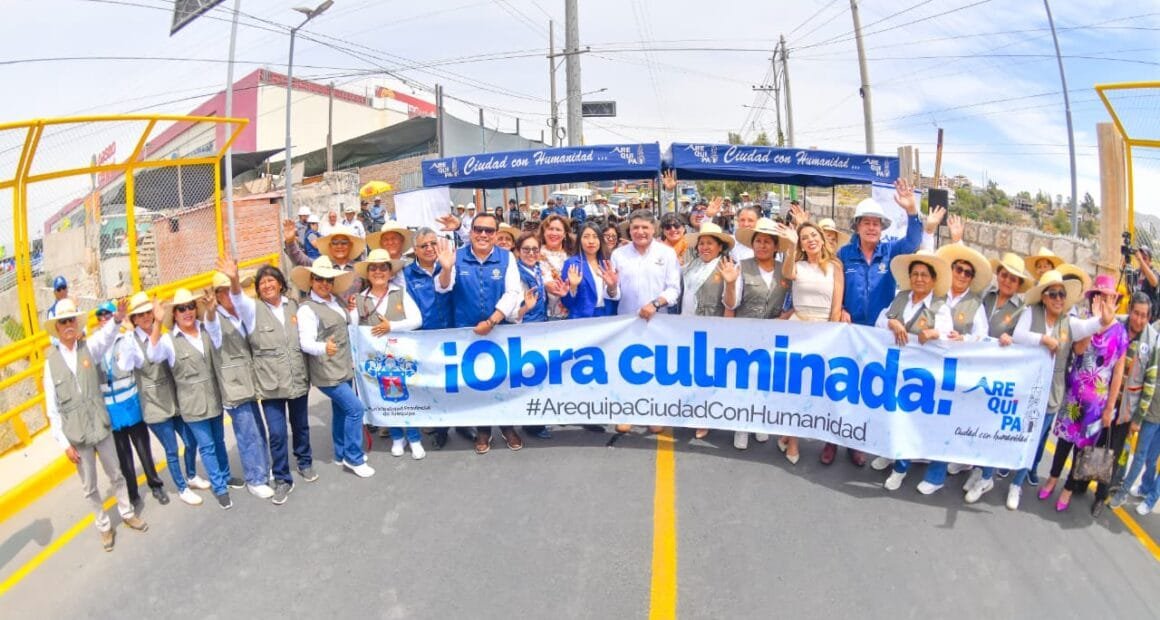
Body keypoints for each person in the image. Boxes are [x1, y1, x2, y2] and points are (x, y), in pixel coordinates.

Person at [44, 297, 149, 551]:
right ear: (57, 328)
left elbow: (106, 337)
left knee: (117, 474)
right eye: (63, 322)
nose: (68, 325)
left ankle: (126, 513)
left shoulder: (88, 347)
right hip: (77, 436)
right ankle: (103, 527)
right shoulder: (50, 364)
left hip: (101, 426)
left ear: (77, 324)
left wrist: (117, 318)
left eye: (71, 320)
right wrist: (63, 443)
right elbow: (53, 409)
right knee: (89, 486)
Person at [835, 178, 923, 467]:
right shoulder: (844, 255)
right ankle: (830, 441)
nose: (872, 228)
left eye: (877, 223)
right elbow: (835, 286)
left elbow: (913, 241)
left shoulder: (891, 252)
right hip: (848, 330)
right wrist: (841, 309)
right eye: (866, 223)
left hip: (876, 334)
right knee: (838, 385)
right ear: (857, 226)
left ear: (883, 228)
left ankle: (855, 442)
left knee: (864, 387)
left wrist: (912, 212)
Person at [910, 238, 995, 494]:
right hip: (928, 363)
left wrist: (965, 339)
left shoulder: (975, 304)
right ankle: (914, 454)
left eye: (967, 273)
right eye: (957, 269)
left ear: (971, 279)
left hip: (956, 370)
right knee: (921, 410)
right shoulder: (938, 292)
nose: (961, 275)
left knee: (947, 419)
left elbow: (983, 335)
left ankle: (936, 477)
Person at [1038, 274, 1127, 512]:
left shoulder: (1120, 332)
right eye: (1099, 295)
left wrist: (1109, 408)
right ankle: (1053, 477)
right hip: (1074, 395)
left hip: (1096, 403)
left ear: (1114, 300)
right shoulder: (1083, 320)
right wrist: (1096, 322)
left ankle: (1068, 487)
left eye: (1107, 296)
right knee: (1064, 441)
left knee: (1083, 446)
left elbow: (1118, 373)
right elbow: (1078, 349)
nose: (1103, 300)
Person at [147, 288, 241, 509]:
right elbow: (152, 355)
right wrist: (157, 323)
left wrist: (210, 312)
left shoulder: (205, 329)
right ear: (175, 314)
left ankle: (226, 476)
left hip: (214, 398)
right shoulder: (170, 340)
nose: (187, 312)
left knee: (219, 442)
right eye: (181, 308)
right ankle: (220, 488)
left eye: (190, 307)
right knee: (206, 447)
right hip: (192, 405)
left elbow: (218, 337)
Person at [444, 211, 525, 453]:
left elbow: (513, 293)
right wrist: (446, 268)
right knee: (475, 380)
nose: (482, 234)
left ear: (496, 235)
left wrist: (492, 320)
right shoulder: (456, 257)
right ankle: (483, 428)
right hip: (467, 331)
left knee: (504, 378)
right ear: (470, 232)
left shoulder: (506, 256)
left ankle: (507, 426)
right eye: (478, 229)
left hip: (498, 328)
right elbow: (444, 287)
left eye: (489, 231)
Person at [875, 250, 954, 491]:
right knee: (891, 412)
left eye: (924, 275)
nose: (919, 279)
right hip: (895, 367)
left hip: (920, 374)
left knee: (910, 418)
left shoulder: (940, 306)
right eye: (915, 274)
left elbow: (946, 335)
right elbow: (880, 321)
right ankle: (890, 452)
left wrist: (934, 332)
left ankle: (901, 467)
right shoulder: (901, 298)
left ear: (932, 280)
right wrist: (892, 321)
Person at [292, 257, 375, 478]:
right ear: (311, 281)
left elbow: (349, 325)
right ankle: (353, 457)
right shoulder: (307, 309)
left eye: (328, 280)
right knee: (355, 409)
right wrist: (323, 347)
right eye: (319, 279)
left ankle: (340, 453)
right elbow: (305, 342)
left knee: (341, 411)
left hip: (343, 366)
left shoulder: (336, 300)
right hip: (327, 372)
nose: (324, 284)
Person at [118, 292, 204, 506]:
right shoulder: (132, 340)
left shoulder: (163, 333)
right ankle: (182, 487)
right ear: (134, 319)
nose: (146, 317)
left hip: (174, 400)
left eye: (149, 312)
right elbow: (126, 365)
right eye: (141, 315)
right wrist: (128, 333)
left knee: (190, 440)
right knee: (172, 449)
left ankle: (192, 476)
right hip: (155, 405)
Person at [242, 264, 316, 505]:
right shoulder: (253, 310)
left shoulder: (293, 306)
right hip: (271, 382)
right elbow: (236, 298)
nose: (267, 285)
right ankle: (283, 478)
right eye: (262, 283)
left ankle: (304, 462)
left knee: (301, 425)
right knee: (276, 432)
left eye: (271, 280)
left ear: (280, 283)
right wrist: (234, 279)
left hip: (296, 376)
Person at [776, 220, 843, 461]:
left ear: (822, 239)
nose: (810, 240)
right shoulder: (797, 265)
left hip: (822, 331)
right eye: (805, 237)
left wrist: (831, 335)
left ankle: (789, 433)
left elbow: (836, 305)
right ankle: (792, 441)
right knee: (794, 387)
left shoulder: (835, 266)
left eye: (814, 235)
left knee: (813, 390)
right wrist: (792, 245)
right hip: (797, 329)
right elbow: (786, 273)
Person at [610, 209, 681, 434]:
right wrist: (611, 287)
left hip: (659, 321)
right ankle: (627, 411)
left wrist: (656, 304)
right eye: (635, 228)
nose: (640, 232)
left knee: (657, 369)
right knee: (627, 368)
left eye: (645, 228)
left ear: (654, 229)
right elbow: (613, 293)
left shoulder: (667, 254)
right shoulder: (618, 255)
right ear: (629, 230)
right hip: (627, 321)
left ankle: (655, 412)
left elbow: (674, 289)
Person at [211, 260, 275, 501]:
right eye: (223, 291)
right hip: (234, 387)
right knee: (247, 434)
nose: (228, 295)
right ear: (216, 296)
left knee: (258, 429)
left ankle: (262, 468)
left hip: (251, 383)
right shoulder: (215, 319)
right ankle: (255, 478)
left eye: (231, 289)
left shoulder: (242, 313)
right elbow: (210, 325)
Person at [95, 301, 167, 510]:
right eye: (101, 317)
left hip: (131, 404)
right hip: (111, 410)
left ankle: (155, 485)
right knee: (123, 456)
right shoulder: (96, 345)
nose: (105, 320)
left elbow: (134, 363)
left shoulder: (126, 338)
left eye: (109, 316)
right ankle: (133, 493)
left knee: (143, 449)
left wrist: (126, 333)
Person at [404, 228, 470, 449]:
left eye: (433, 243)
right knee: (435, 385)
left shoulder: (448, 264)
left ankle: (462, 423)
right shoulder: (406, 274)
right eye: (424, 246)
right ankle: (441, 428)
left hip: (453, 332)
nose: (430, 248)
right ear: (415, 250)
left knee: (457, 382)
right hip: (425, 338)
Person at [353, 249, 424, 455]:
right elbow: (353, 330)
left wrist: (391, 326)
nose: (378, 272)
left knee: (408, 398)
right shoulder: (359, 300)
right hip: (375, 360)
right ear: (367, 273)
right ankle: (397, 437)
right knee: (386, 398)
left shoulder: (400, 293)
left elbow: (417, 320)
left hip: (401, 357)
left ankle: (414, 437)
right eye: (373, 268)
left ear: (390, 272)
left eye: (383, 268)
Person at [680, 222, 738, 440]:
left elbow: (731, 303)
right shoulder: (692, 264)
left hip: (711, 326)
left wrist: (730, 284)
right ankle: (691, 410)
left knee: (707, 373)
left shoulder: (726, 265)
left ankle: (704, 416)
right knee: (690, 371)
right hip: (686, 323)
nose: (705, 247)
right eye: (702, 243)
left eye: (709, 243)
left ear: (719, 246)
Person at [1101, 293, 1158, 516]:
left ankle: (1106, 491)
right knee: (1095, 443)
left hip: (1128, 408)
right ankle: (1081, 482)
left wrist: (1138, 418)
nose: (1139, 320)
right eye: (1136, 313)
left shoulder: (1152, 340)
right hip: (1104, 399)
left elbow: (1150, 382)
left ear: (1149, 316)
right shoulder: (1117, 324)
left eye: (1144, 316)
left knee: (1117, 452)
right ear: (1130, 310)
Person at [283, 219, 367, 299]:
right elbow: (300, 259)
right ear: (330, 247)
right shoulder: (322, 265)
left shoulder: (359, 269)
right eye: (335, 243)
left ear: (350, 246)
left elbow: (367, 294)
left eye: (344, 243)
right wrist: (290, 242)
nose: (339, 246)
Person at [563, 221, 620, 319]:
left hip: (608, 317)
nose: (591, 241)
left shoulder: (608, 262)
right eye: (586, 236)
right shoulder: (572, 264)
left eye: (595, 236)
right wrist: (573, 287)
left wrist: (612, 287)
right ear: (579, 240)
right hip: (582, 320)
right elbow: (567, 302)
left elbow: (615, 297)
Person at [537, 214, 574, 320]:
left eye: (558, 229)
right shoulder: (534, 252)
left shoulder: (572, 255)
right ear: (544, 232)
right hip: (542, 313)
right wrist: (545, 285)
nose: (554, 233)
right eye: (550, 229)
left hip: (569, 312)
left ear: (565, 234)